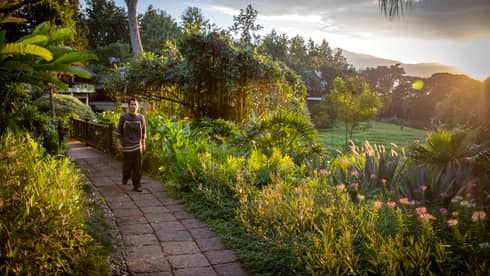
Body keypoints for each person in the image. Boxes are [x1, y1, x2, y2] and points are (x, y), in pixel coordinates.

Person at [116, 98, 146, 192]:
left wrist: (143, 144)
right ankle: (125, 176)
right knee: (127, 166)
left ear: (137, 106)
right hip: (127, 146)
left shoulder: (141, 118)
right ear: (128, 106)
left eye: (135, 104)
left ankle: (137, 185)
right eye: (131, 104)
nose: (133, 106)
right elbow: (119, 132)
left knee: (138, 167)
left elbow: (143, 132)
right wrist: (119, 144)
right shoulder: (124, 117)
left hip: (138, 146)